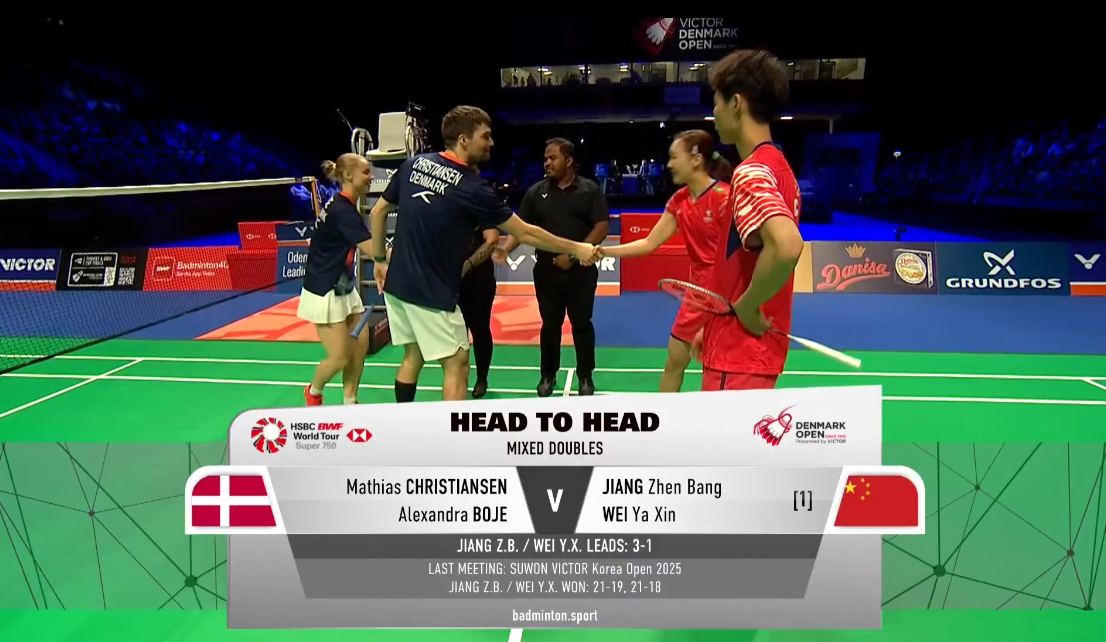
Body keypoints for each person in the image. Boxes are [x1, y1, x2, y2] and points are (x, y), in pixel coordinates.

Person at [368, 106, 600, 403]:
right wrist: (577, 247)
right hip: (431, 291)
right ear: (463, 139)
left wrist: (379, 261)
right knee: (457, 362)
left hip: (397, 284)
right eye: (485, 136)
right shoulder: (472, 187)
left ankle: (403, 420)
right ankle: (453, 431)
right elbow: (526, 232)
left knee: (412, 354)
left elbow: (377, 212)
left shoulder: (414, 164)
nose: (491, 143)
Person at [694, 49, 805, 392]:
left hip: (738, 353)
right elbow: (747, 260)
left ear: (736, 103)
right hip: (751, 353)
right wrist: (714, 324)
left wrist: (746, 305)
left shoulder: (751, 172)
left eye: (716, 103)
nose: (713, 114)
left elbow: (787, 245)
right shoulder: (781, 169)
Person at [602, 130, 732, 392]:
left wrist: (716, 317)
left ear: (696, 159)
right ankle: (663, 416)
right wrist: (604, 251)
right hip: (696, 296)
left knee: (718, 373)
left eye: (674, 157)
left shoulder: (724, 198)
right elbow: (649, 243)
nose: (669, 164)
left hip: (727, 296)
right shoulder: (679, 201)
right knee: (673, 364)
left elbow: (737, 259)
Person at [495, 138, 609, 397]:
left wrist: (573, 255)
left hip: (581, 270)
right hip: (547, 272)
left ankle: (585, 376)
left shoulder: (589, 189)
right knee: (550, 326)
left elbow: (601, 226)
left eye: (552, 158)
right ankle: (548, 375)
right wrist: (505, 248)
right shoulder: (536, 192)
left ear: (568, 161)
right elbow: (521, 228)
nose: (547, 162)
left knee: (582, 324)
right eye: (545, 158)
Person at [298, 153, 378, 406]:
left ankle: (350, 401)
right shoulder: (343, 211)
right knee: (340, 356)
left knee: (360, 345)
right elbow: (375, 251)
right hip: (324, 289)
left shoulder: (344, 204)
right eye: (366, 172)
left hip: (343, 285)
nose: (371, 177)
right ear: (348, 175)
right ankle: (313, 392)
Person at [458, 223, 500, 398]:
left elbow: (492, 240)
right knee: (456, 333)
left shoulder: (482, 209)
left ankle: (482, 378)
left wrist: (467, 265)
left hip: (479, 281)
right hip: (451, 282)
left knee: (480, 330)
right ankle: (459, 377)